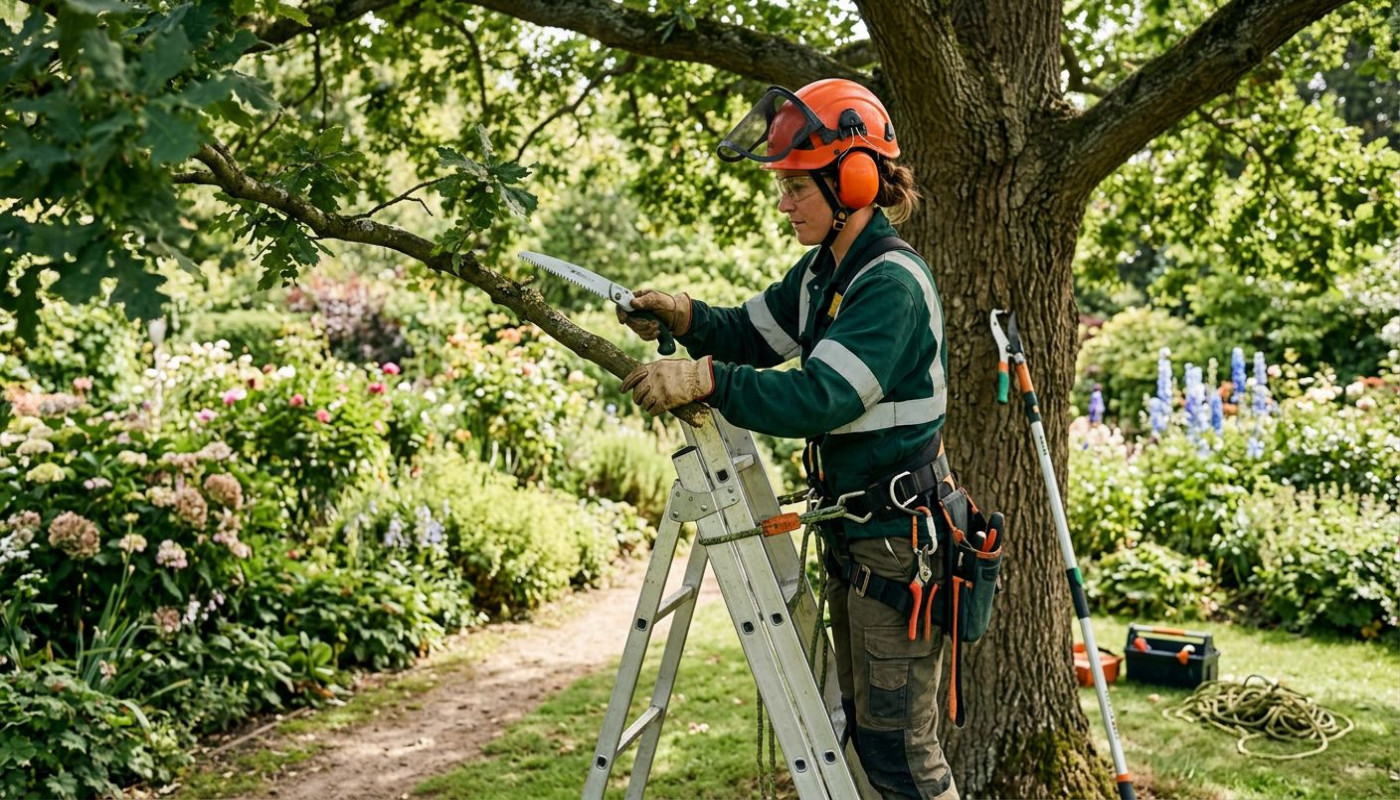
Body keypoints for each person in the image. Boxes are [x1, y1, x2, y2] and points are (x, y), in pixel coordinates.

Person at [617, 79, 958, 800]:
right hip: (863, 538)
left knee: (901, 753)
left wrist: (705, 379)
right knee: (864, 739)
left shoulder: (889, 283)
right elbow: (750, 333)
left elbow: (819, 397)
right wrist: (683, 316)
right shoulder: (823, 275)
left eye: (797, 187)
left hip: (897, 545)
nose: (784, 204)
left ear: (854, 179)